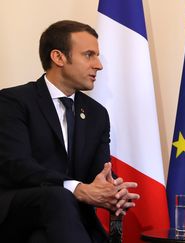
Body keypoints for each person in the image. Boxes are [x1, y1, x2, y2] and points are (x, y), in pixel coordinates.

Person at [0, 20, 140, 243]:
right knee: (58, 197)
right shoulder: (13, 101)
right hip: (19, 214)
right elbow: (16, 166)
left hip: (67, 221)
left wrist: (112, 191)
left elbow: (99, 172)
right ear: (59, 57)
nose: (98, 65)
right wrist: (75, 188)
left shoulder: (97, 114)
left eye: (97, 55)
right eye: (89, 55)